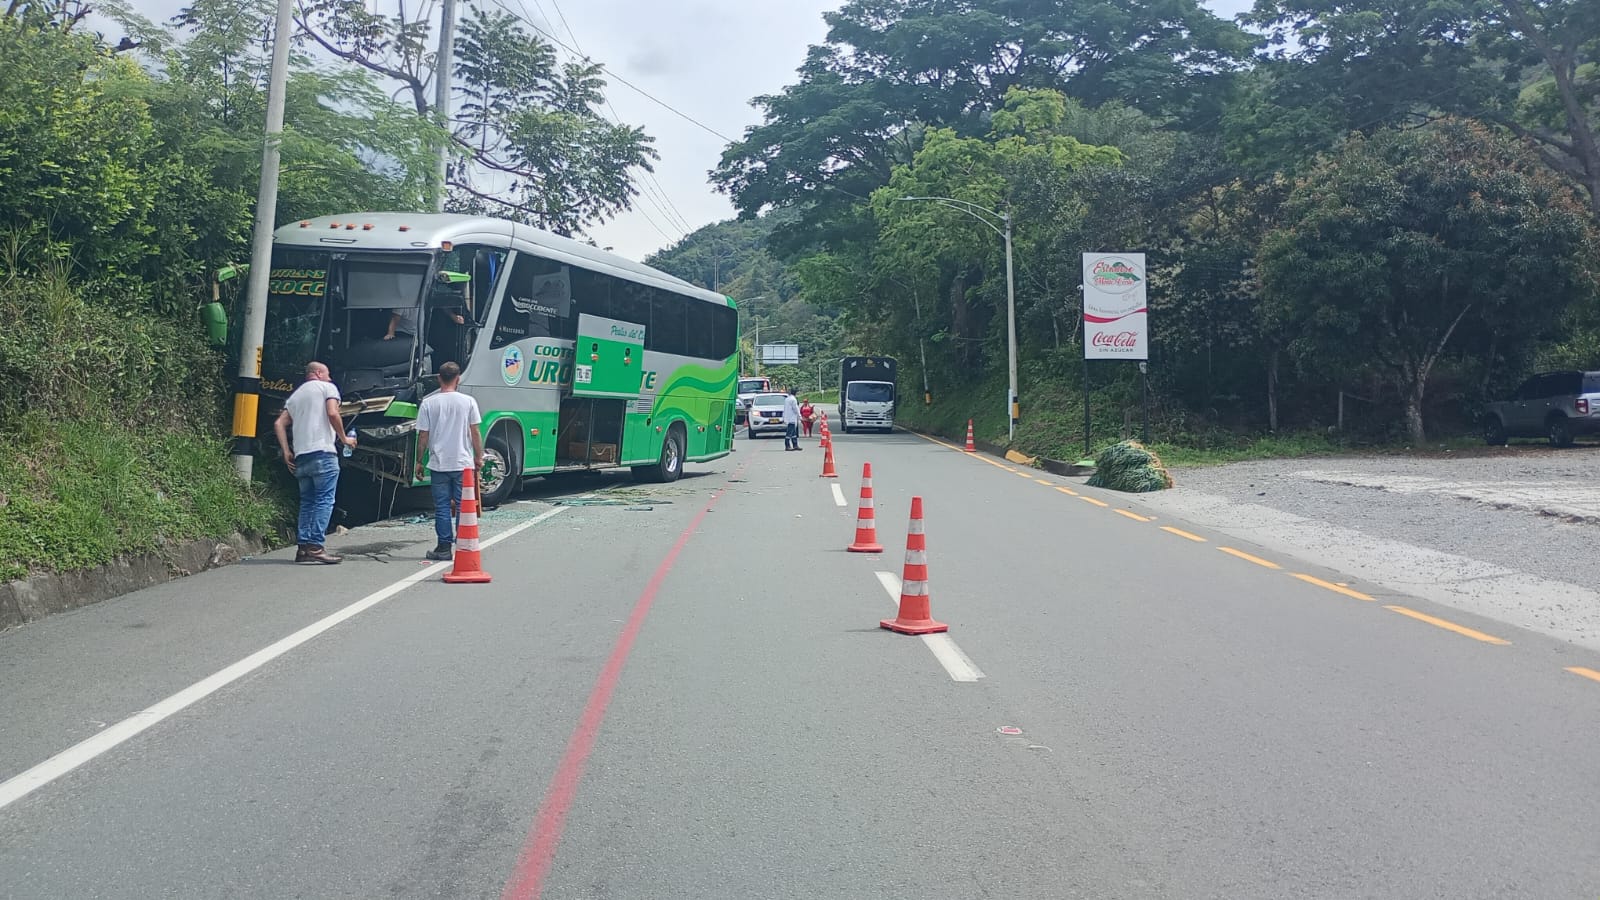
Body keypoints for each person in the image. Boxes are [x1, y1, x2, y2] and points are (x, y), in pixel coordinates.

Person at [274, 361, 356, 564]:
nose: (330, 377)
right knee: (324, 500)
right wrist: (344, 438)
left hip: (301, 457)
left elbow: (279, 423)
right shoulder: (328, 388)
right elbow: (332, 412)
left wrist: (286, 451)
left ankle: (302, 548)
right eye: (327, 373)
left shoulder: (297, 395)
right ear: (318, 373)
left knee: (308, 502)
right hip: (323, 454)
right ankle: (316, 546)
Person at [414, 361, 485, 561]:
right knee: (464, 506)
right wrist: (479, 457)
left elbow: (423, 436)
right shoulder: (468, 401)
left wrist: (419, 461)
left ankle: (444, 547)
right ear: (458, 378)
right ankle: (464, 545)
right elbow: (475, 432)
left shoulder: (428, 403)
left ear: (439, 378)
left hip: (438, 464)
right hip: (463, 463)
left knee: (442, 506)